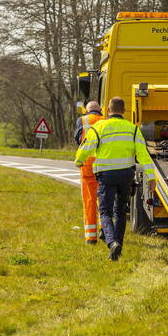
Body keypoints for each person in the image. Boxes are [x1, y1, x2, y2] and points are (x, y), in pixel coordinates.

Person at [74, 97, 156, 261]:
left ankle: (112, 243)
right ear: (123, 111)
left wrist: (79, 161)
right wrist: (151, 177)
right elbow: (143, 155)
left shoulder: (100, 127)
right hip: (126, 175)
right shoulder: (132, 129)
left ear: (108, 111)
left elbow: (86, 148)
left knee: (105, 211)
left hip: (106, 175)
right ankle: (118, 246)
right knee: (120, 211)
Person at [74, 101, 104, 244]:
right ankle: (105, 229)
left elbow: (79, 140)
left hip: (87, 166)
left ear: (86, 111)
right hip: (105, 166)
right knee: (105, 199)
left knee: (90, 200)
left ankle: (91, 237)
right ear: (100, 110)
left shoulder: (82, 120)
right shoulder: (107, 120)